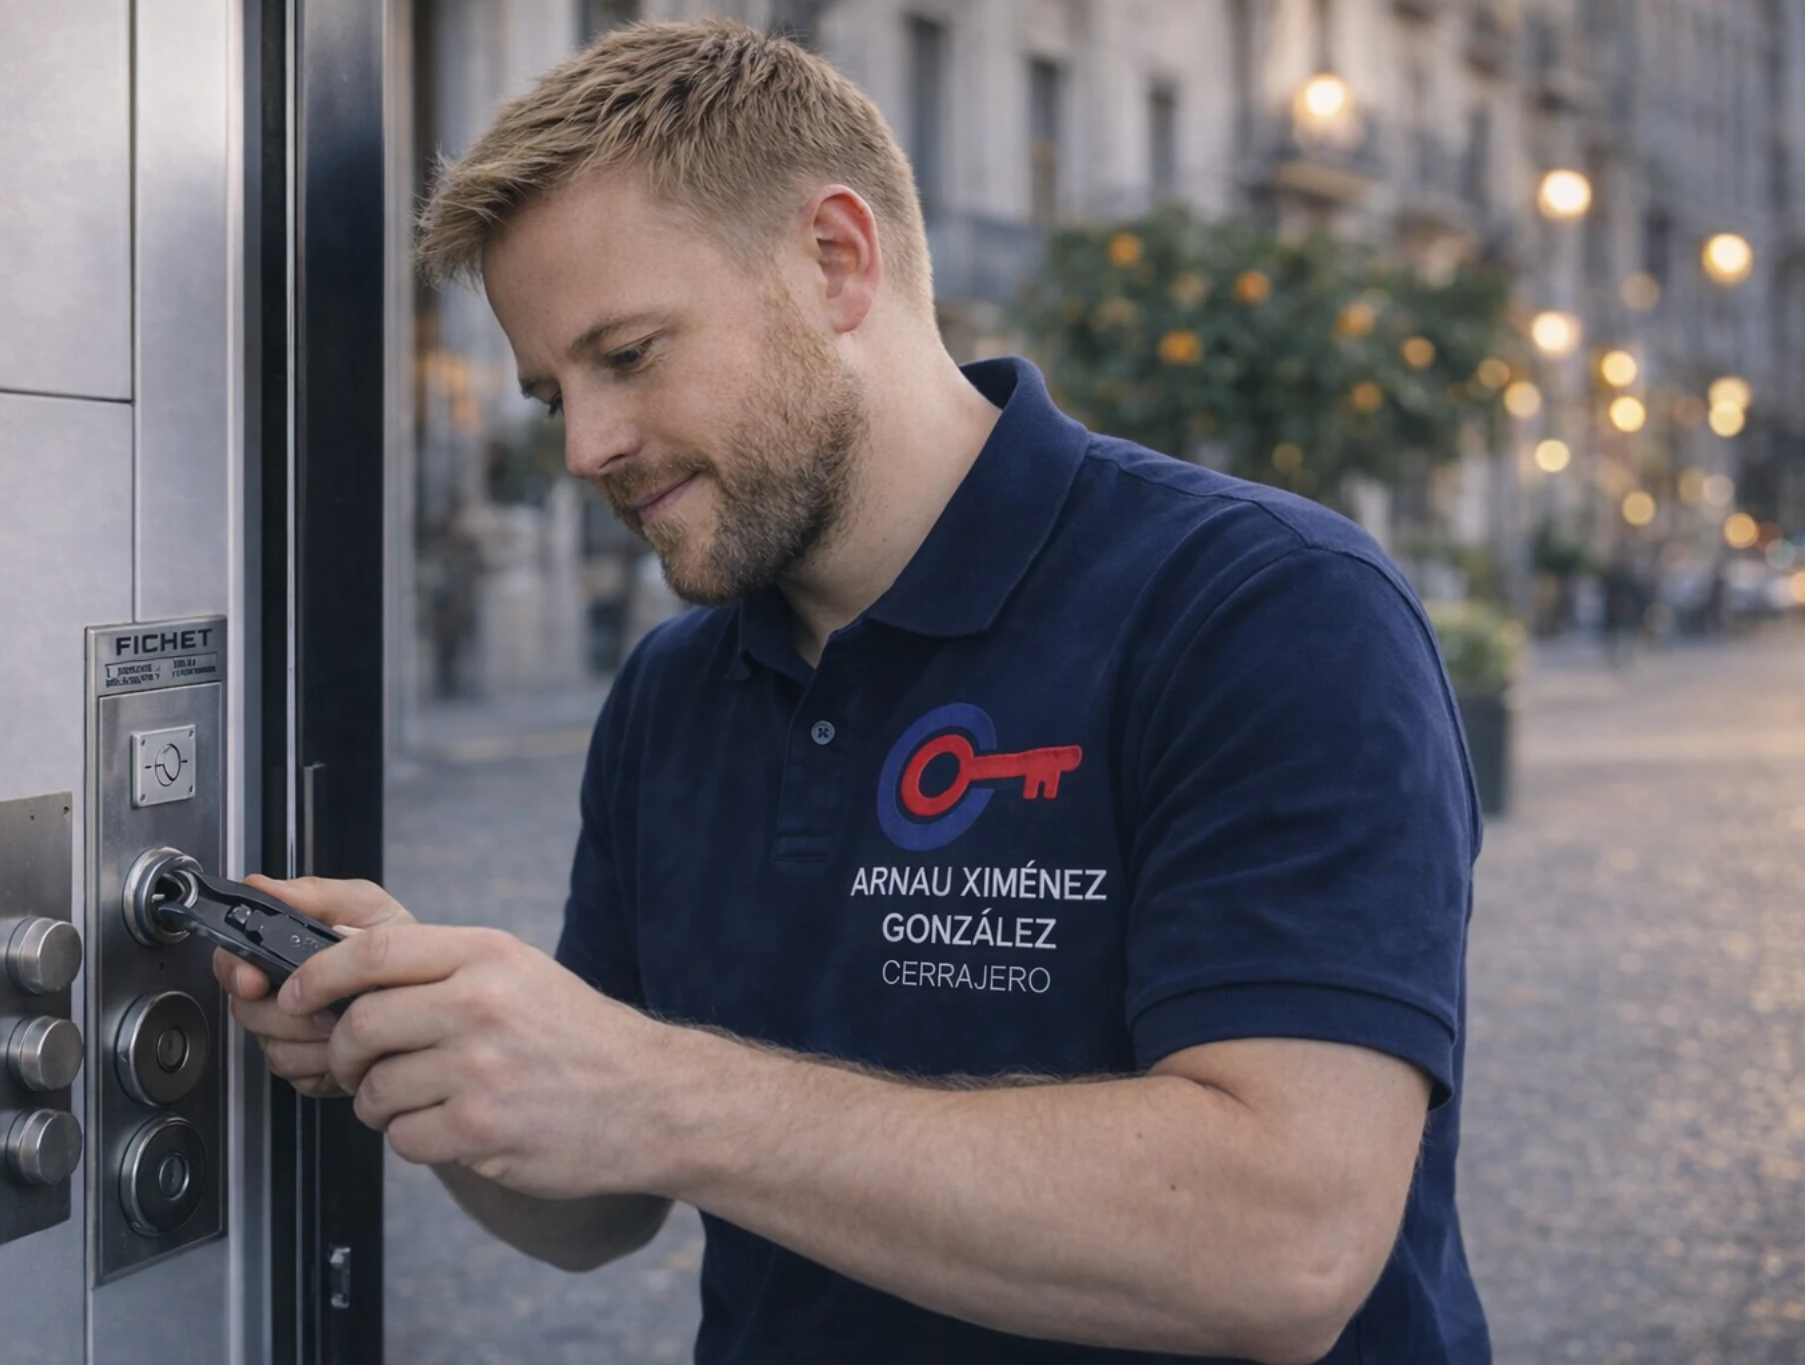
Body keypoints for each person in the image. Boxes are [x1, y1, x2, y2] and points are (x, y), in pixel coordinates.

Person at [222, 20, 1487, 1364]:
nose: (588, 448)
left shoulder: (1263, 608)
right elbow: (597, 1211)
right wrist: (427, 1044)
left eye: (631, 354)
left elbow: (1282, 1247)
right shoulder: (674, 690)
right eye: (553, 398)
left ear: (836, 259)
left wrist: (663, 1091)